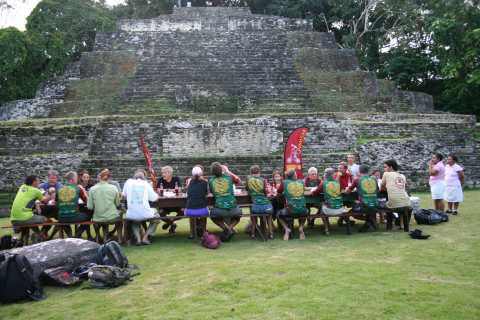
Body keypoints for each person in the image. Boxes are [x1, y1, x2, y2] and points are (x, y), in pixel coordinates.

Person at [122, 169, 160, 245]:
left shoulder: (128, 182)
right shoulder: (146, 184)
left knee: (135, 220)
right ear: (144, 178)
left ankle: (138, 239)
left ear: (134, 177)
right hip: (145, 212)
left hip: (132, 213)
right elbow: (154, 198)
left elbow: (123, 195)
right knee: (157, 217)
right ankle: (145, 238)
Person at [209, 162, 242, 241]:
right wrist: (228, 171)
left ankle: (226, 229)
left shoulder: (211, 181)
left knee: (212, 216)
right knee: (238, 216)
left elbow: (211, 192)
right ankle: (230, 228)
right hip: (233, 208)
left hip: (220, 209)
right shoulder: (229, 177)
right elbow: (239, 181)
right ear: (221, 170)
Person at [87, 169, 122, 242]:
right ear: (109, 178)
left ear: (99, 177)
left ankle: (99, 237)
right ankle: (119, 239)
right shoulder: (114, 188)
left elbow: (90, 207)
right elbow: (118, 204)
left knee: (102, 220)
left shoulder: (92, 189)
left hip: (98, 218)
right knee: (119, 219)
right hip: (112, 217)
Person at [57, 171, 91, 238]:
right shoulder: (78, 188)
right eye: (77, 178)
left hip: (61, 218)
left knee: (64, 218)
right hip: (74, 216)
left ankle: (70, 235)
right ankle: (77, 235)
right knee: (89, 216)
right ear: (72, 180)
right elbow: (87, 201)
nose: (78, 180)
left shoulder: (59, 189)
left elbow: (56, 202)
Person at [277, 170, 308, 241]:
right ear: (294, 176)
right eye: (296, 174)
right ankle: (301, 227)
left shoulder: (284, 182)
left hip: (290, 211)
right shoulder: (301, 182)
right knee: (306, 211)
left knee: (278, 214)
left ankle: (287, 229)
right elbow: (304, 189)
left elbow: (278, 191)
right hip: (302, 210)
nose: (296, 175)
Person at [346, 165, 379, 232]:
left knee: (351, 212)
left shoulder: (357, 179)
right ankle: (370, 221)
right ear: (368, 171)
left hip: (364, 206)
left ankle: (369, 221)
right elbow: (377, 190)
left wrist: (347, 189)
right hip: (375, 205)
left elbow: (348, 192)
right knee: (369, 210)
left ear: (359, 171)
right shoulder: (374, 179)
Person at [381, 160, 412, 230]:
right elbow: (402, 188)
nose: (384, 169)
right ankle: (402, 225)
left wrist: (388, 189)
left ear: (390, 167)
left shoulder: (386, 174)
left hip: (393, 203)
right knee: (400, 204)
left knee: (384, 204)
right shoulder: (403, 176)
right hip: (406, 202)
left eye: (385, 167)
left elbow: (382, 188)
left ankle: (389, 226)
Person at [246, 165, 274, 239]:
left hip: (255, 205)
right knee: (269, 215)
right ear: (259, 172)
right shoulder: (263, 180)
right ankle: (271, 234)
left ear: (251, 172)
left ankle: (253, 234)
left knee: (254, 215)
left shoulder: (248, 179)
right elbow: (265, 191)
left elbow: (247, 189)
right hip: (265, 205)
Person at [156, 165, 183, 233]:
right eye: (162, 173)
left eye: (164, 173)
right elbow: (158, 190)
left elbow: (179, 190)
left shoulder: (176, 179)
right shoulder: (160, 179)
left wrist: (166, 190)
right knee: (160, 213)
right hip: (165, 204)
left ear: (170, 173)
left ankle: (170, 222)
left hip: (177, 203)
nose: (163, 174)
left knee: (183, 211)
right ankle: (172, 224)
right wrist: (171, 190)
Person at [185, 166, 209, 238]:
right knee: (204, 212)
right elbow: (206, 193)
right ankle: (204, 232)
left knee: (192, 210)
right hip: (202, 210)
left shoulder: (189, 181)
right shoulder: (205, 182)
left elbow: (188, 191)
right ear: (201, 173)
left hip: (189, 210)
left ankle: (192, 233)